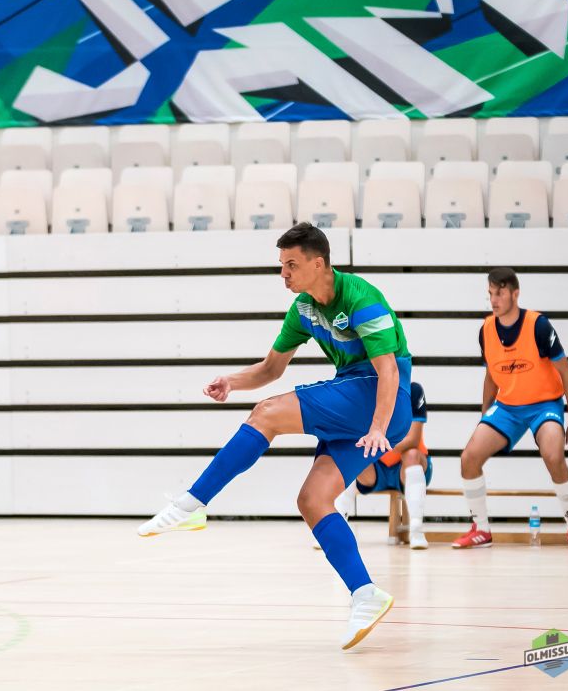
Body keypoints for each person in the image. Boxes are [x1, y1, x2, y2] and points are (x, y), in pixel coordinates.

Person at [138, 222, 413, 651]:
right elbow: (271, 369)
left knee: (267, 413)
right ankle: (365, 593)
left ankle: (191, 503)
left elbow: (389, 371)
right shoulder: (303, 309)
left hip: (381, 398)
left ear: (318, 264)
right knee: (312, 501)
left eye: (291, 265)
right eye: (281, 265)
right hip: (361, 402)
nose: (283, 274)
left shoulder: (362, 298)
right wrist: (231, 381)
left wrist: (378, 426)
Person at [453, 267, 568, 550]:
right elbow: (491, 375)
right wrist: (485, 416)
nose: (494, 300)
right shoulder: (486, 330)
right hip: (507, 407)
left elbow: (566, 373)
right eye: (490, 293)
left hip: (544, 404)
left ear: (515, 294)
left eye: (500, 293)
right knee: (469, 458)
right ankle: (482, 530)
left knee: (553, 455)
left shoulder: (539, 326)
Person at [333, 382, 432, 549]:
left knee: (412, 454)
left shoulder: (413, 390)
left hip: (407, 466)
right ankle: (336, 529)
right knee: (351, 455)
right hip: (376, 469)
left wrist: (378, 444)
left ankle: (416, 530)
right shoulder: (365, 392)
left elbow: (413, 439)